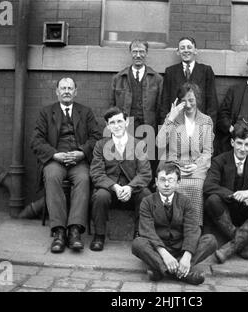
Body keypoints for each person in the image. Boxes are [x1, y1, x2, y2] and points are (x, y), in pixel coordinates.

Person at [30, 77, 102, 253]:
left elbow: (96, 137)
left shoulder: (86, 112)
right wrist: (55, 154)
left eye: (70, 88)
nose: (67, 91)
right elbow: (36, 140)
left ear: (75, 92)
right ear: (57, 91)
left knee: (84, 179)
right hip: (56, 160)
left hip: (78, 161)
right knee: (52, 176)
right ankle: (59, 232)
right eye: (63, 88)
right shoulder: (46, 113)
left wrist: (81, 152)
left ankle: (75, 230)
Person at [132, 162, 217, 285]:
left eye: (171, 180)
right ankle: (183, 274)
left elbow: (192, 229)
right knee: (137, 243)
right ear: (156, 182)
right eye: (162, 180)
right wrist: (164, 254)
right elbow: (147, 231)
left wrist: (187, 256)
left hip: (181, 247)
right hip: (158, 249)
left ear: (178, 183)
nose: (166, 184)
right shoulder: (147, 202)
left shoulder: (185, 202)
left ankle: (162, 270)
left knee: (210, 241)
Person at [203, 121, 248, 263]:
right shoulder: (219, 161)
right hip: (226, 212)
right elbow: (208, 185)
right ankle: (242, 243)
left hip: (247, 215)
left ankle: (230, 247)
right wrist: (234, 195)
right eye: (239, 143)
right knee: (212, 200)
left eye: (247, 145)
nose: (242, 148)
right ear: (232, 143)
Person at [90, 107, 152, 251]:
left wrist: (130, 187)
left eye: (119, 121)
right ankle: (99, 235)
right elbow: (96, 172)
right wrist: (114, 187)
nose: (116, 126)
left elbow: (145, 173)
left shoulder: (138, 144)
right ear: (107, 126)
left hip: (132, 188)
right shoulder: (101, 145)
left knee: (146, 195)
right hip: (110, 188)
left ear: (126, 123)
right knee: (100, 196)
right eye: (112, 123)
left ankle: (140, 235)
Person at [156, 82, 214, 227]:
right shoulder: (173, 118)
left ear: (197, 100)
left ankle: (194, 228)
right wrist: (171, 118)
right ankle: (172, 226)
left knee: (197, 187)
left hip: (196, 168)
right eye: (183, 101)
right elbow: (159, 143)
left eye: (191, 100)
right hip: (174, 165)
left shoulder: (206, 120)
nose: (188, 104)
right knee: (172, 185)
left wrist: (196, 165)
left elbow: (207, 152)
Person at [160, 36, 218, 126]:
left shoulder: (206, 71)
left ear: (195, 50)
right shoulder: (170, 72)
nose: (186, 50)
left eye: (189, 47)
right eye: (182, 48)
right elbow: (164, 102)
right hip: (177, 125)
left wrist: (208, 128)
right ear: (178, 52)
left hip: (199, 125)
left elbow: (212, 103)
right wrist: (166, 126)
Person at [110, 39, 163, 133]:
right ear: (130, 53)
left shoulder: (157, 79)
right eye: (135, 52)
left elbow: (160, 108)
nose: (138, 55)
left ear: (146, 53)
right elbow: (112, 106)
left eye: (141, 51)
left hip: (148, 128)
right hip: (125, 127)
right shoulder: (118, 78)